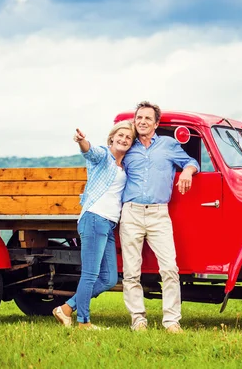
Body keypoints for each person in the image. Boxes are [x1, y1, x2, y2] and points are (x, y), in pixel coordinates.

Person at [120, 101, 199, 333]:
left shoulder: (168, 145)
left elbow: (191, 162)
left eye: (147, 118)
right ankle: (138, 319)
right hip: (131, 212)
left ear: (156, 124)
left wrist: (186, 171)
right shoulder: (127, 147)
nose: (142, 122)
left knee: (169, 269)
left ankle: (172, 321)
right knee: (131, 271)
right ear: (135, 121)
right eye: (139, 118)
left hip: (158, 214)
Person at [52, 120, 136, 329]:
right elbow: (90, 152)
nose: (124, 139)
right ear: (112, 137)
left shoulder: (123, 165)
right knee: (90, 274)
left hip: (108, 224)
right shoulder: (104, 156)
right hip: (95, 218)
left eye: (128, 137)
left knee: (109, 279)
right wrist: (82, 141)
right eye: (121, 135)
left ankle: (66, 309)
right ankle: (84, 322)